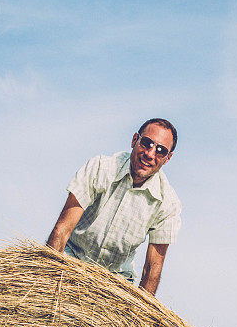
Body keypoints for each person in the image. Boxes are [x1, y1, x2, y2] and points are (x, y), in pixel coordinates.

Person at [46, 118, 181, 296]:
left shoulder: (168, 203)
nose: (150, 153)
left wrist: (139, 317)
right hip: (72, 258)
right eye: (146, 143)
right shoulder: (101, 168)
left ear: (168, 158)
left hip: (117, 281)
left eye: (160, 150)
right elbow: (63, 229)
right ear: (134, 140)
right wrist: (46, 279)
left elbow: (152, 268)